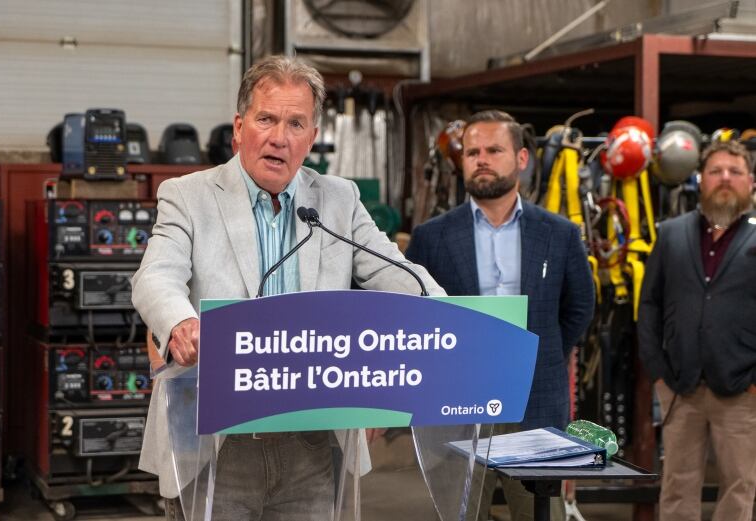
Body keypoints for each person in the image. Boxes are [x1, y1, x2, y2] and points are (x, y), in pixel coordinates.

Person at [131, 55, 444, 521]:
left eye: (296, 123)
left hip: (314, 445)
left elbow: (398, 274)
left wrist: (449, 319)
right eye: (266, 119)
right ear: (239, 128)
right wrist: (180, 321)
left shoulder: (339, 199)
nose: (279, 137)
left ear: (312, 138)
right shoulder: (188, 195)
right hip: (217, 440)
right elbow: (156, 275)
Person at [405, 109, 595, 521]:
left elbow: (579, 307)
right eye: (472, 151)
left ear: (522, 159)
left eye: (494, 149)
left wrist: (540, 353)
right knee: (460, 513)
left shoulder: (559, 234)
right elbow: (414, 314)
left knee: (540, 514)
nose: (481, 159)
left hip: (536, 404)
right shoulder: (431, 237)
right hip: (456, 406)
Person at [638, 139, 756, 521]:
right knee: (676, 485)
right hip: (679, 386)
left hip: (742, 389)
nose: (725, 179)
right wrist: (658, 370)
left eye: (735, 172)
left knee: (740, 486)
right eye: (716, 171)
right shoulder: (671, 234)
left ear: (751, 183)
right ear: (699, 180)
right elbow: (650, 304)